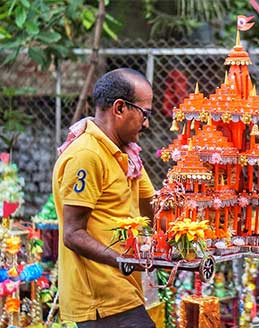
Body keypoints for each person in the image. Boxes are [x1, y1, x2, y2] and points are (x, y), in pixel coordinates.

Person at [52, 68, 156, 327]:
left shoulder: (127, 154)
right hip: (98, 299)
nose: (147, 124)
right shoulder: (86, 155)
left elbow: (154, 207)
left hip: (124, 290)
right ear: (120, 108)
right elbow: (73, 234)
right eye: (145, 113)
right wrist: (126, 260)